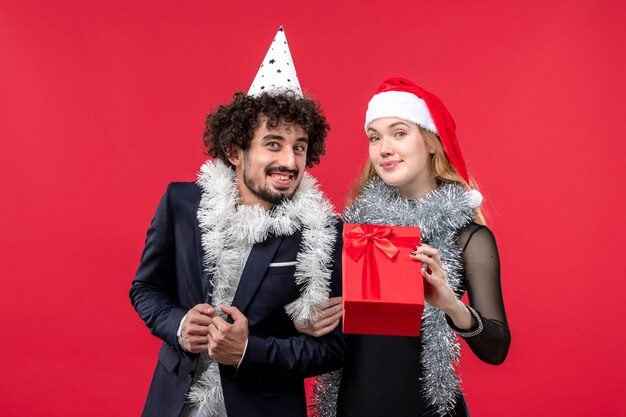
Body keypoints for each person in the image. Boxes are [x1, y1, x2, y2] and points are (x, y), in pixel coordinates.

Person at [130, 27, 345, 417]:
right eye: (273, 144)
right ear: (235, 150)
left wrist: (249, 351)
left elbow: (332, 348)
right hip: (174, 403)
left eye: (299, 147)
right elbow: (145, 288)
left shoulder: (323, 231)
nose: (291, 161)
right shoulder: (181, 203)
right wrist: (178, 325)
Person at [297, 77, 511, 417]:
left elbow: (497, 349)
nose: (384, 148)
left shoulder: (467, 237)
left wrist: (453, 306)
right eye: (375, 137)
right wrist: (308, 323)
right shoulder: (350, 232)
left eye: (399, 133)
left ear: (430, 142)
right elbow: (323, 330)